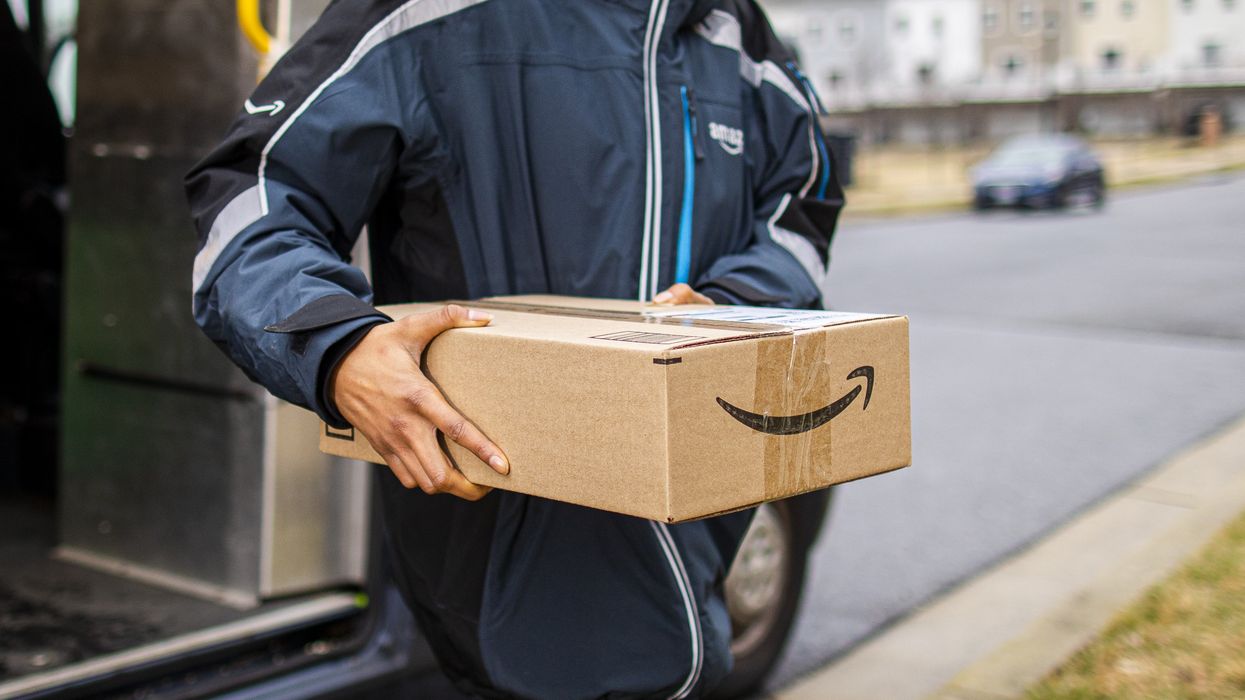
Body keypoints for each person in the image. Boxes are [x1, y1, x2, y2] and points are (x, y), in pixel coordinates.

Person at [186, 0, 842, 696]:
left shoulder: (732, 25)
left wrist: (733, 302)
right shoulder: (423, 12)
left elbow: (802, 200)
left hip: (697, 547)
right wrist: (337, 349)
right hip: (497, 567)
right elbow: (251, 197)